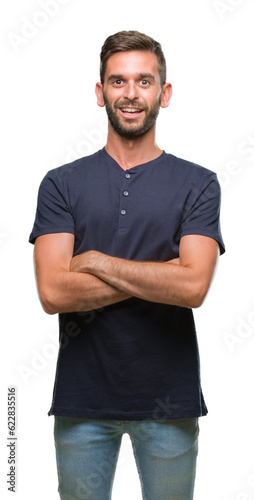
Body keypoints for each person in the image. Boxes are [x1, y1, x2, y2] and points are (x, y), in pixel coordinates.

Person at [29, 30, 225, 500]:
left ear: (165, 93)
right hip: (82, 403)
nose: (131, 94)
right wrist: (165, 273)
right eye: (118, 82)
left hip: (168, 405)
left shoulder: (199, 184)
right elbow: (53, 293)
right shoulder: (61, 184)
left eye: (144, 81)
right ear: (100, 94)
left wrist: (94, 261)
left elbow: (194, 287)